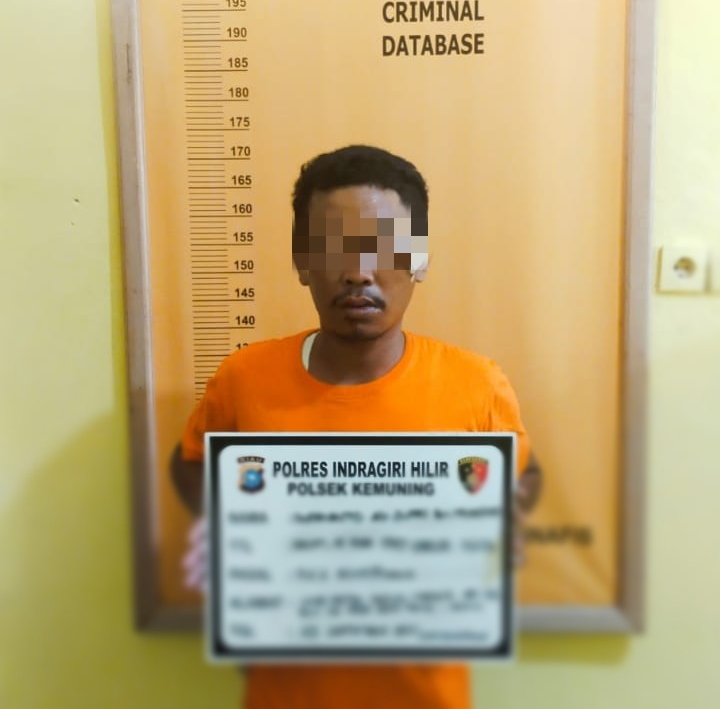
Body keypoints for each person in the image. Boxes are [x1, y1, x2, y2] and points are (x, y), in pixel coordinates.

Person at [172, 143, 537, 709]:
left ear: (419, 259)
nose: (358, 272)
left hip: (426, 693)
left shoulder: (475, 384)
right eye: (333, 247)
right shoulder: (244, 377)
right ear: (302, 261)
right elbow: (191, 464)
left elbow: (522, 478)